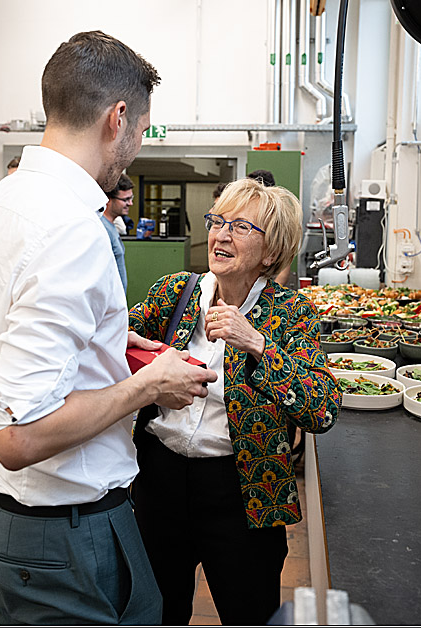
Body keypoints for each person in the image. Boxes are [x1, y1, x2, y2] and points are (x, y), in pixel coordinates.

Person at [0, 30, 216, 625]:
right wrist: (149, 386)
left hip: (7, 515)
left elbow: (3, 331)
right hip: (62, 532)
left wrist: (106, 339)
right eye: (143, 129)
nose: (138, 145)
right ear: (117, 117)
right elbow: (20, 437)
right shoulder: (72, 229)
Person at [127, 177, 342, 626]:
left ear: (270, 253)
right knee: (156, 612)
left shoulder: (290, 314)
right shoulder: (176, 294)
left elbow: (322, 408)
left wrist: (259, 345)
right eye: (218, 221)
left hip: (242, 492)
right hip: (158, 481)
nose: (221, 235)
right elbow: (117, 344)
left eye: (241, 226)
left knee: (249, 612)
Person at [101, 173, 133, 291]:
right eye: (125, 200)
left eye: (131, 198)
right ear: (108, 200)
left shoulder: (111, 227)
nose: (130, 204)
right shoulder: (102, 229)